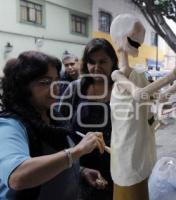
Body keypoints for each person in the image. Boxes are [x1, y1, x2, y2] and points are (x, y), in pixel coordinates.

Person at [0, 51, 107, 200]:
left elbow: (53, 158)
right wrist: (77, 151)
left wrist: (80, 170)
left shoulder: (53, 115)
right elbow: (17, 176)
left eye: (56, 80)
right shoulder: (10, 125)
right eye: (45, 82)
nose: (55, 87)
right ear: (23, 87)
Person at [58, 38, 118, 200]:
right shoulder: (76, 88)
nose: (96, 67)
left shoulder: (123, 90)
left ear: (113, 61)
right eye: (91, 62)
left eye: (102, 61)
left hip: (117, 168)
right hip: (80, 168)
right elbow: (57, 124)